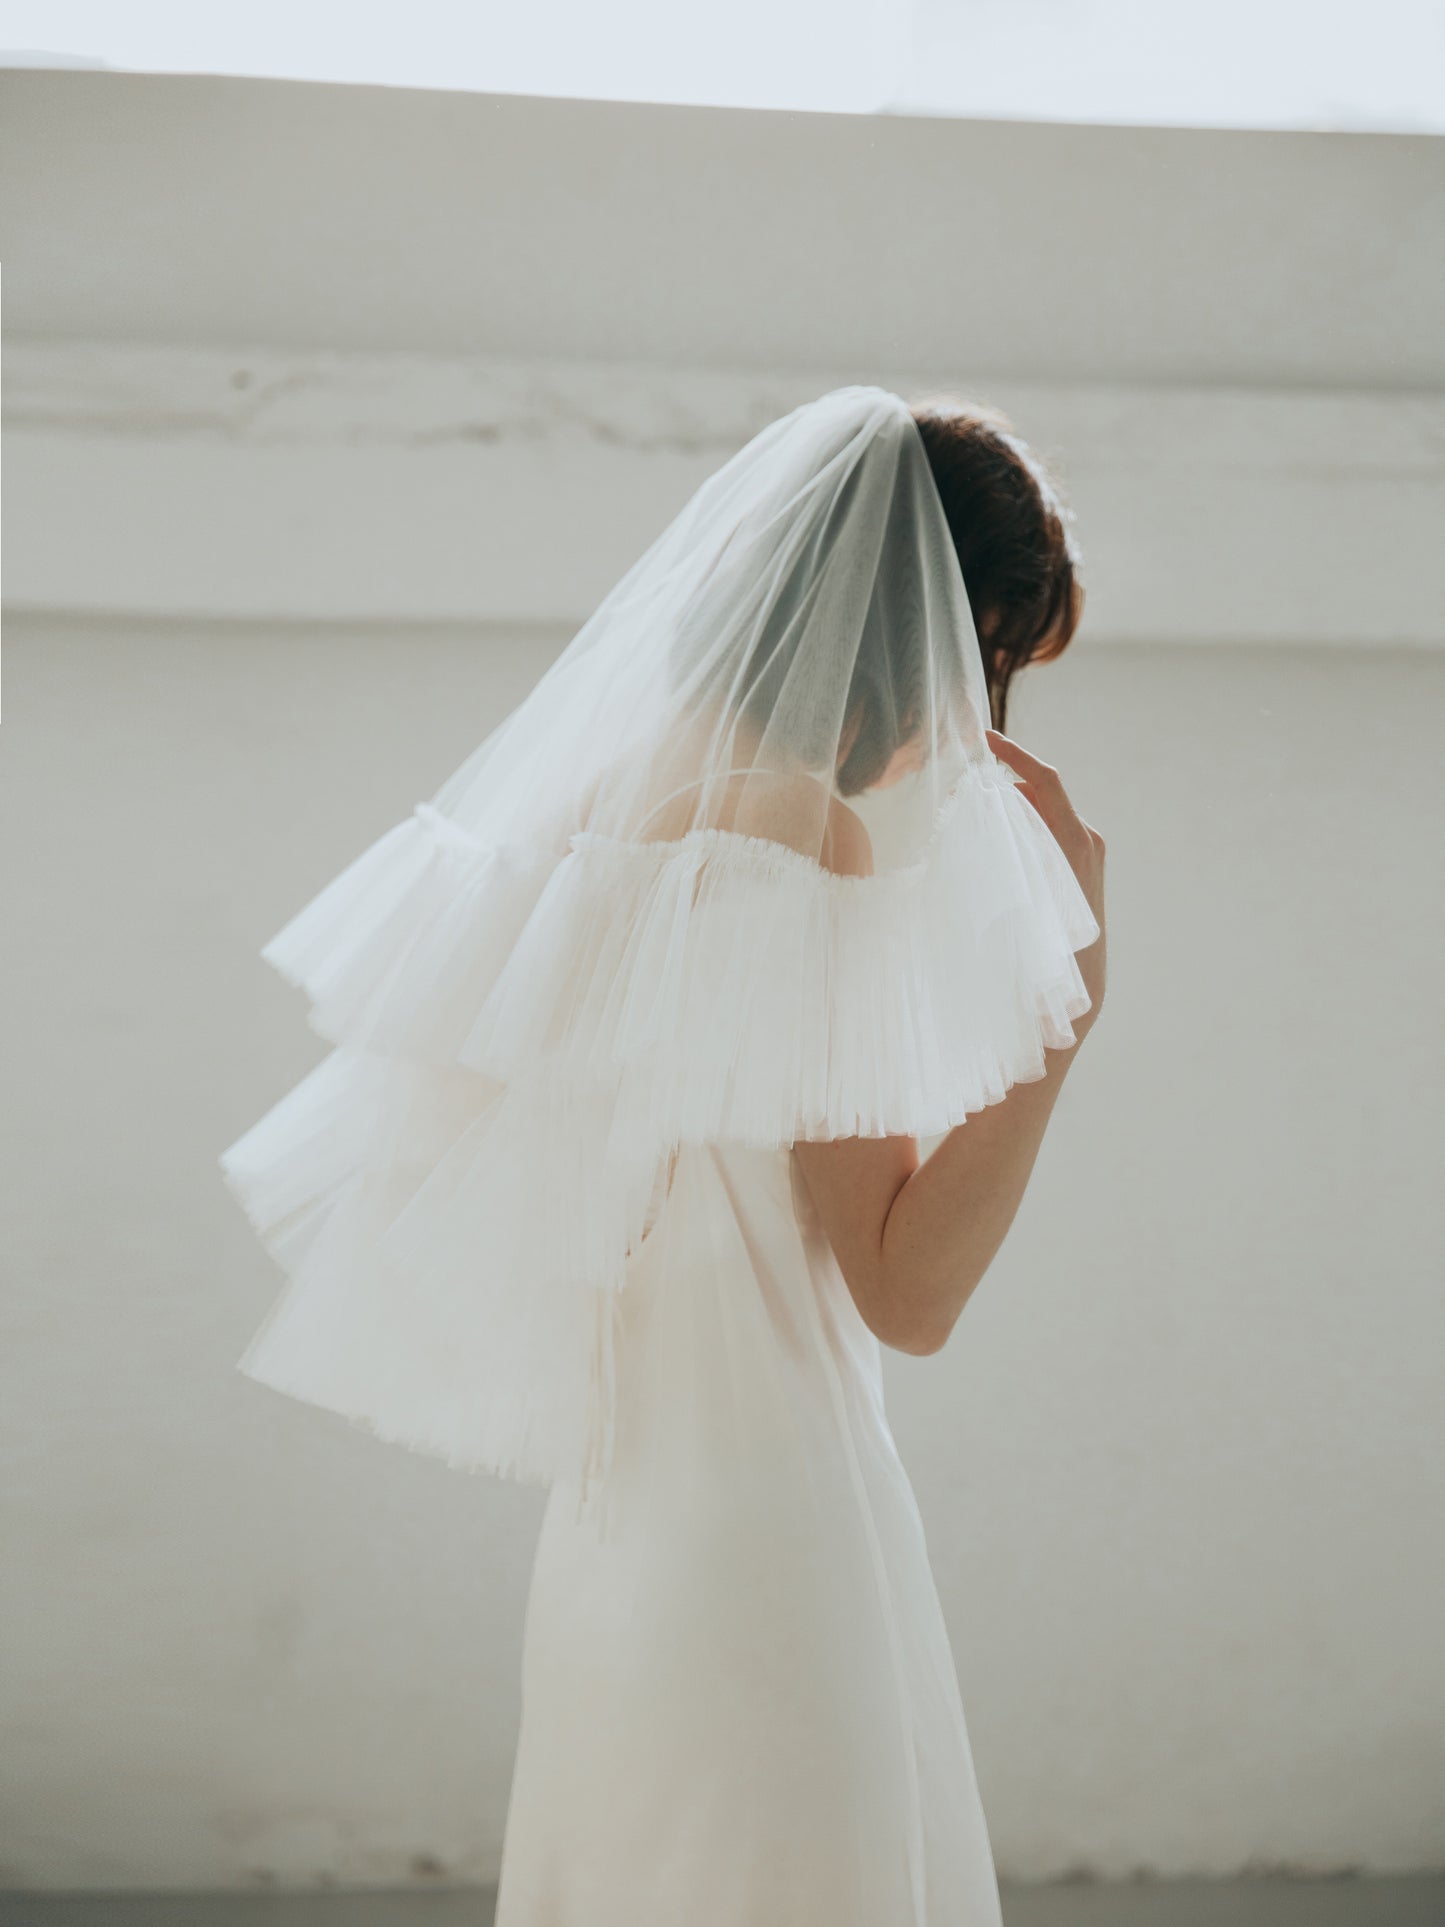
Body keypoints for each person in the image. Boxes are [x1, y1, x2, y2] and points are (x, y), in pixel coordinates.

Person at [220, 384, 1107, 1924]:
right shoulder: (786, 831)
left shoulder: (594, 806)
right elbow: (906, 1290)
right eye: (998, 670)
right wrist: (1068, 1021)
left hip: (621, 1527)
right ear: (944, 628)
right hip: (768, 1528)